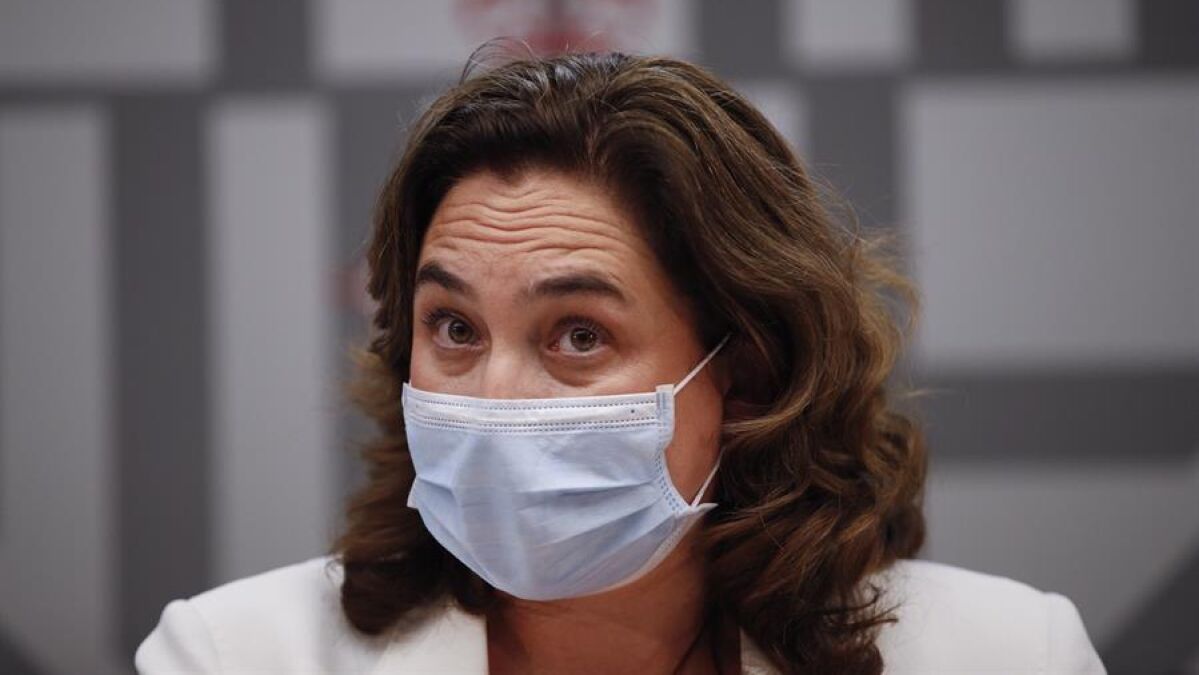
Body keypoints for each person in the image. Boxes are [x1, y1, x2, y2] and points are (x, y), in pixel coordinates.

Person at [135, 46, 1106, 674]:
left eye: (578, 335)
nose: (496, 396)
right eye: (454, 328)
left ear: (747, 371)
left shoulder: (1008, 654)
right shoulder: (232, 655)